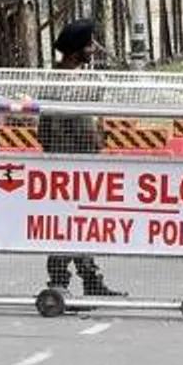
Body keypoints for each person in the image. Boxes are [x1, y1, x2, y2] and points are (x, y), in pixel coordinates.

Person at [36, 18, 127, 297]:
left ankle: (89, 279)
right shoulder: (63, 83)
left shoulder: (81, 80)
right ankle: (59, 282)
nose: (94, 49)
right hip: (67, 166)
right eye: (89, 45)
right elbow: (56, 128)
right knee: (67, 225)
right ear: (77, 50)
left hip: (84, 164)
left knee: (81, 225)